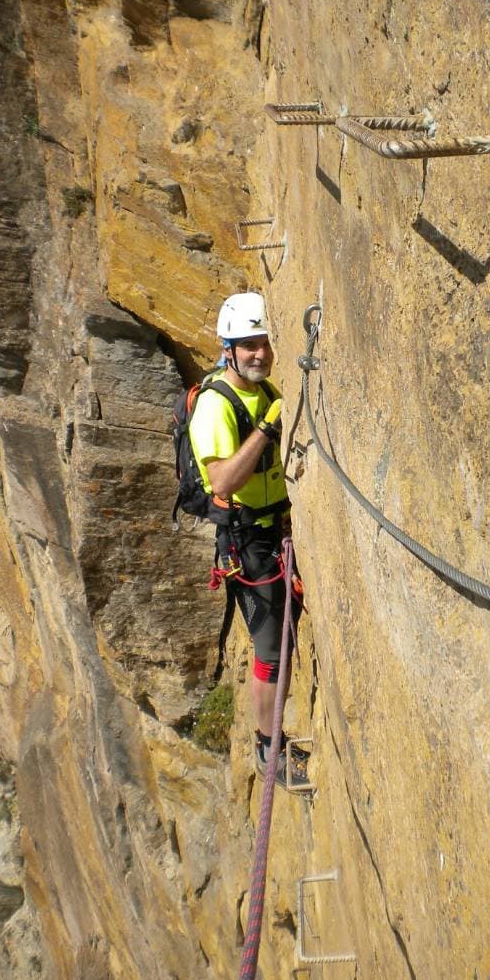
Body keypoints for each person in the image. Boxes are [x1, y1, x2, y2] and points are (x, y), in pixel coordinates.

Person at [188, 292, 307, 789]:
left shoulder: (264, 389)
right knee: (269, 651)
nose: (259, 353)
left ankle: (269, 741)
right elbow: (222, 481)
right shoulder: (216, 406)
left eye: (264, 343)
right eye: (248, 345)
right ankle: (266, 749)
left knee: (285, 628)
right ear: (228, 349)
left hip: (271, 528)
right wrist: (264, 428)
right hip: (246, 544)